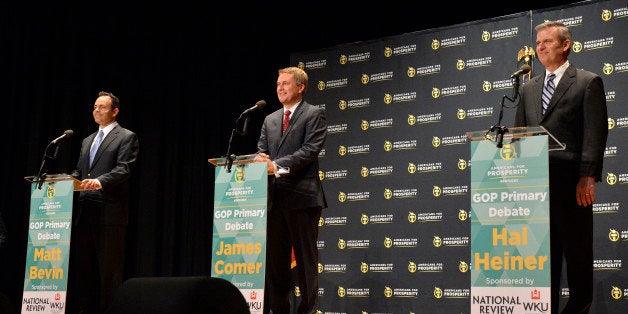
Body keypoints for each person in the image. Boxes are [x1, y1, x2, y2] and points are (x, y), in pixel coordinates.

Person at [514, 21, 608, 314]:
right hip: (536, 187)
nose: (540, 47)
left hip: (571, 185)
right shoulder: (528, 89)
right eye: (538, 42)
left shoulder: (586, 82)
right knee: (544, 262)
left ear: (565, 45)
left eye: (547, 42)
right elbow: (519, 134)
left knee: (577, 258)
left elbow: (595, 132)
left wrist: (587, 176)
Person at [255, 66, 327, 314]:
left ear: (300, 87)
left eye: (285, 83)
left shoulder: (313, 114)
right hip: (275, 200)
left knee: (306, 262)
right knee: (277, 263)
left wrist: (275, 165)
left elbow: (309, 151)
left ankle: (307, 310)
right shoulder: (270, 119)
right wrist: (260, 159)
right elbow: (262, 150)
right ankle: (279, 310)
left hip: (303, 198)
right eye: (278, 84)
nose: (280, 88)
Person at [69, 91, 139, 313]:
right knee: (85, 271)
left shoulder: (127, 136)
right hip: (85, 213)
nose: (96, 110)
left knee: (108, 273)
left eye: (102, 107)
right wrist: (65, 181)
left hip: (109, 214)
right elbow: (80, 171)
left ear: (115, 111)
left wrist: (99, 181)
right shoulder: (87, 140)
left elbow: (124, 168)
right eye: (95, 107)